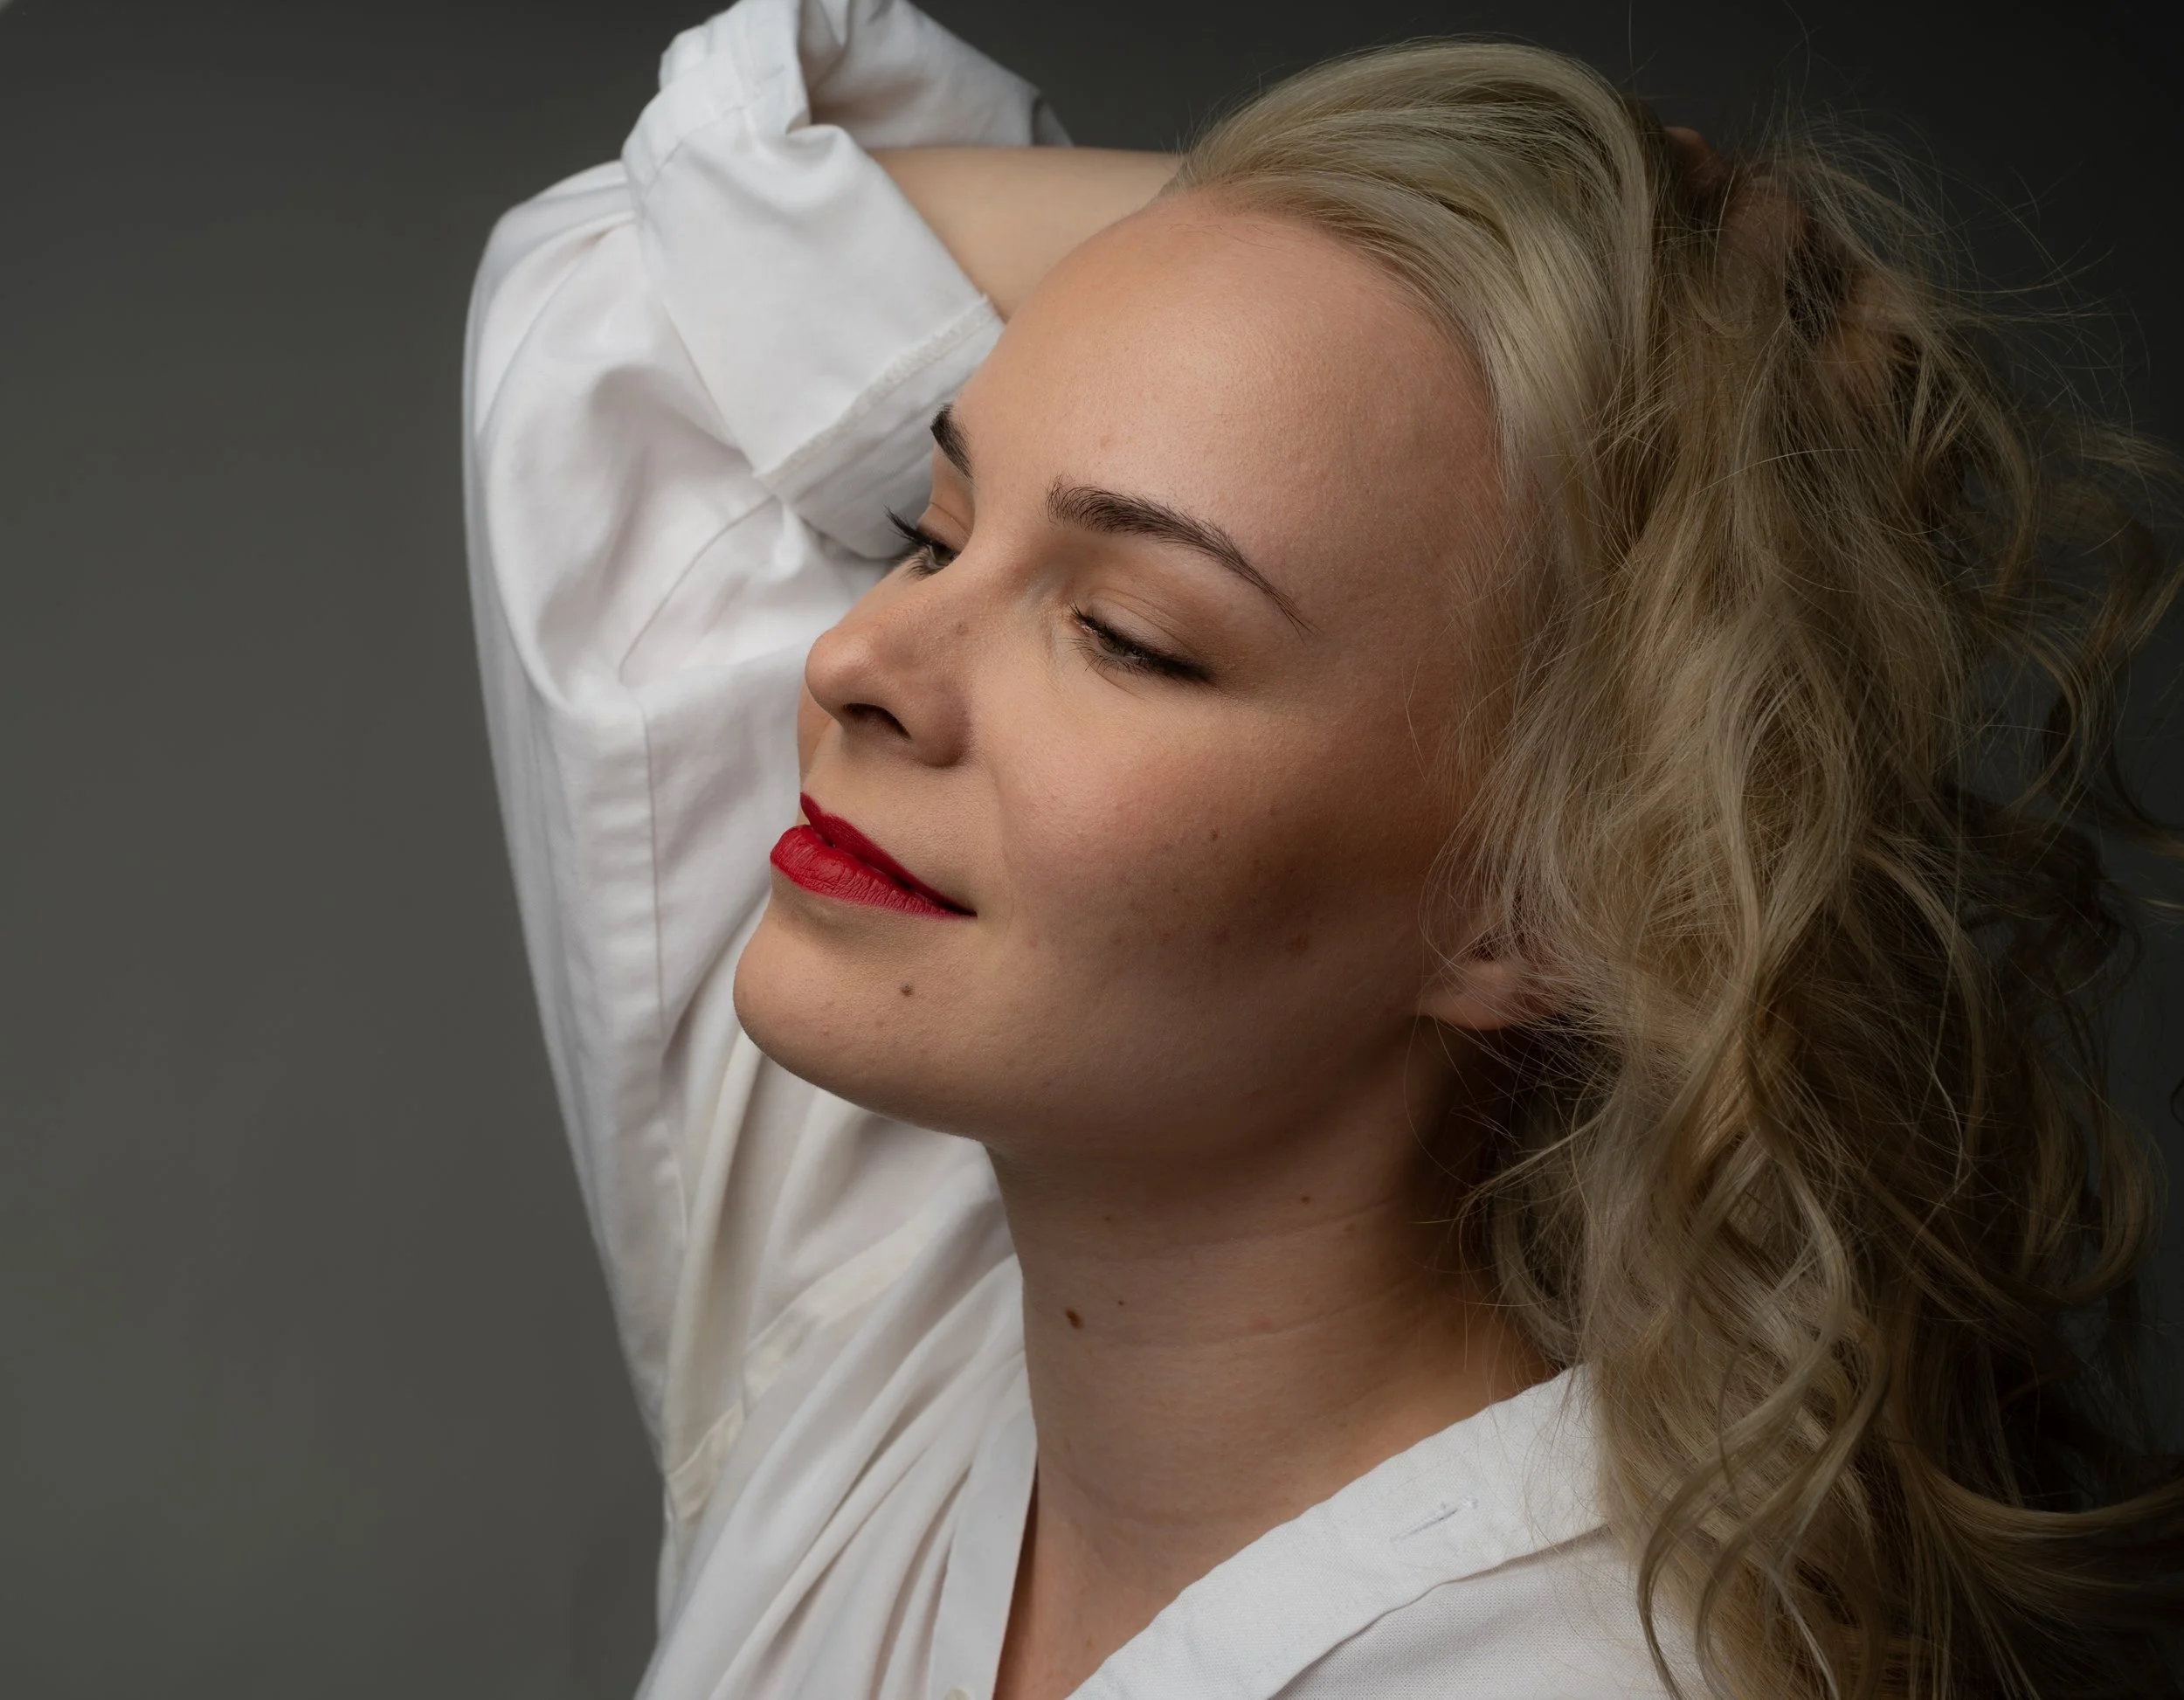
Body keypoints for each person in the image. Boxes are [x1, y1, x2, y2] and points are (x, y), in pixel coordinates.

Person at [462, 1, 2184, 1695]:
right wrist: (1540, 272)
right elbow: (623, 292)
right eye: (932, 535)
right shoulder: (877, 1361)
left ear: (1541, 899)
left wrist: (1585, 328)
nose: (857, 664)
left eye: (1129, 633)